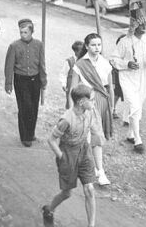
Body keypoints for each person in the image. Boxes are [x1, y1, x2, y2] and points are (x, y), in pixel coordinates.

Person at [41, 84, 104, 227]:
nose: (94, 103)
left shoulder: (89, 112)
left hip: (84, 151)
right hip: (68, 155)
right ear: (81, 102)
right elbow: (51, 140)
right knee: (67, 193)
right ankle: (49, 210)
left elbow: (92, 130)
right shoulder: (66, 120)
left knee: (89, 189)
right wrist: (61, 157)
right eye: (92, 100)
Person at [69, 33, 113, 186]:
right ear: (87, 46)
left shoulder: (105, 64)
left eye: (99, 45)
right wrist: (72, 109)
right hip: (84, 104)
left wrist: (111, 106)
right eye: (93, 45)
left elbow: (109, 87)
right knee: (85, 137)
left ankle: (100, 171)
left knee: (97, 137)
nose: (97, 48)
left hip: (100, 103)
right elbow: (73, 89)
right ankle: (88, 167)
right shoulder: (79, 65)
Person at [111, 7, 146, 153]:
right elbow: (113, 58)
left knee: (137, 106)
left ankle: (130, 133)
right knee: (134, 105)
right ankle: (138, 140)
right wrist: (127, 64)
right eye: (141, 25)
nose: (144, 28)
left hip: (143, 77)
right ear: (134, 25)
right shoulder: (124, 41)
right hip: (128, 78)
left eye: (145, 25)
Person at [4, 19, 48, 147]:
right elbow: (9, 66)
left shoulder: (39, 45)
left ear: (31, 32)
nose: (23, 35)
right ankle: (25, 136)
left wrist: (43, 80)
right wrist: (8, 83)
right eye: (21, 32)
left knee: (34, 107)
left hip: (35, 80)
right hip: (21, 80)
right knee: (25, 108)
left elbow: (42, 64)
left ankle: (31, 132)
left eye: (25, 32)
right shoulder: (14, 46)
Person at [59, 40, 84, 110]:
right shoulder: (70, 61)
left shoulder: (85, 61)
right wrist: (63, 84)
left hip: (81, 84)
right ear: (76, 51)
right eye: (81, 51)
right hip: (71, 84)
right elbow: (63, 73)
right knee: (71, 101)